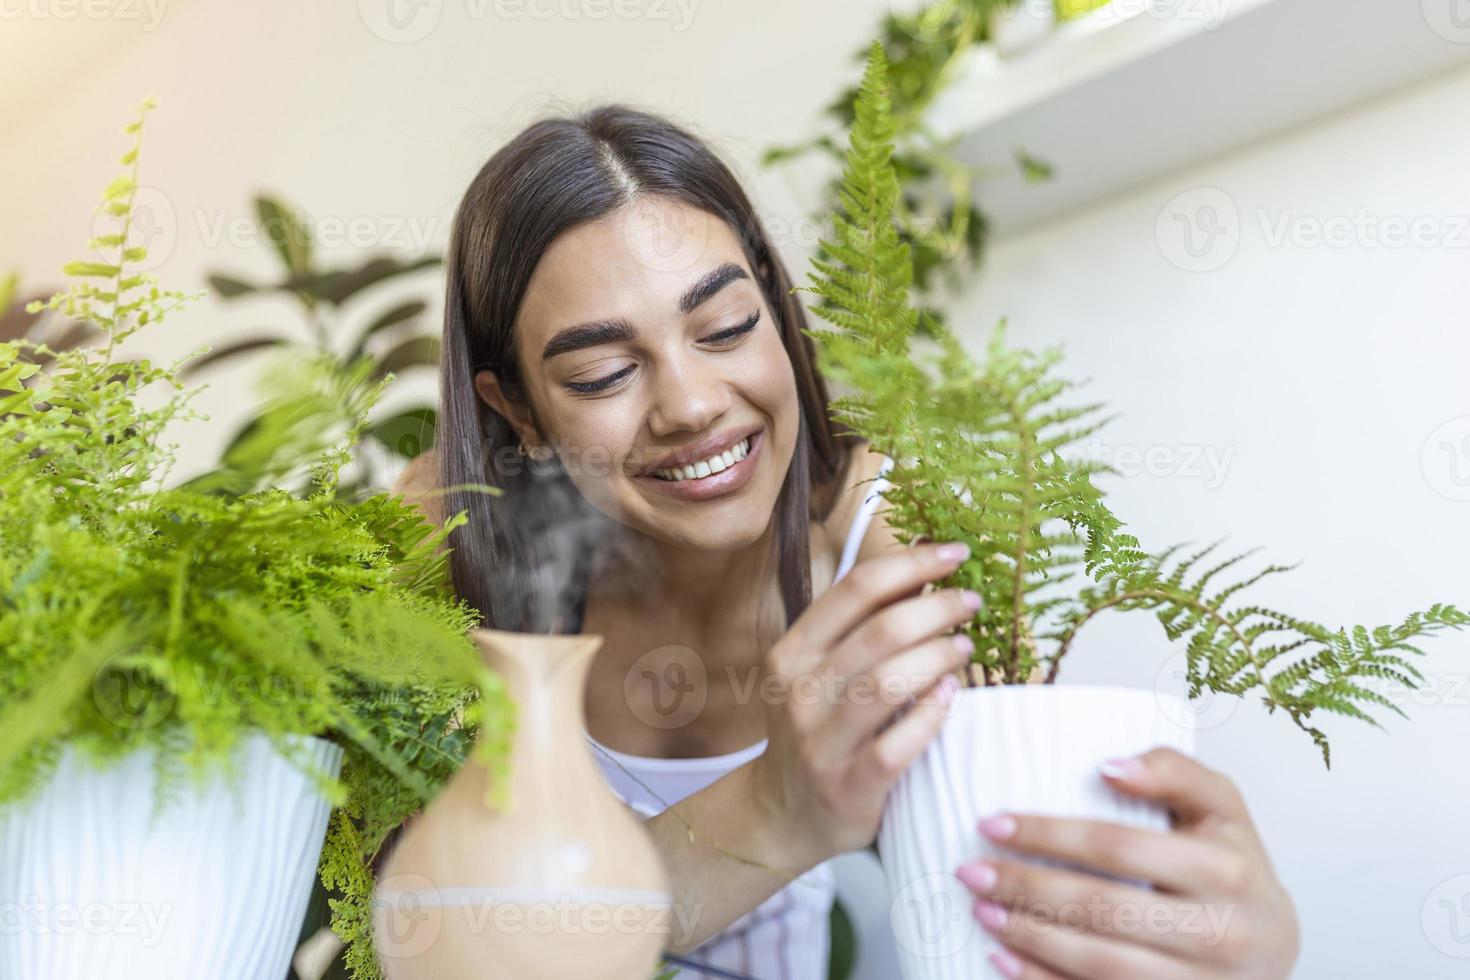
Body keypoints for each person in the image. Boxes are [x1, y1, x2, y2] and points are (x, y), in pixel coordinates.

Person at [393, 103, 1301, 979]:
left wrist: (1218, 937)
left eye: (726, 328)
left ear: (779, 315)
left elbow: (1030, 880)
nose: (692, 405)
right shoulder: (449, 542)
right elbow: (436, 952)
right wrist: (774, 810)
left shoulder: (890, 537)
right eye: (604, 374)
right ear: (516, 409)